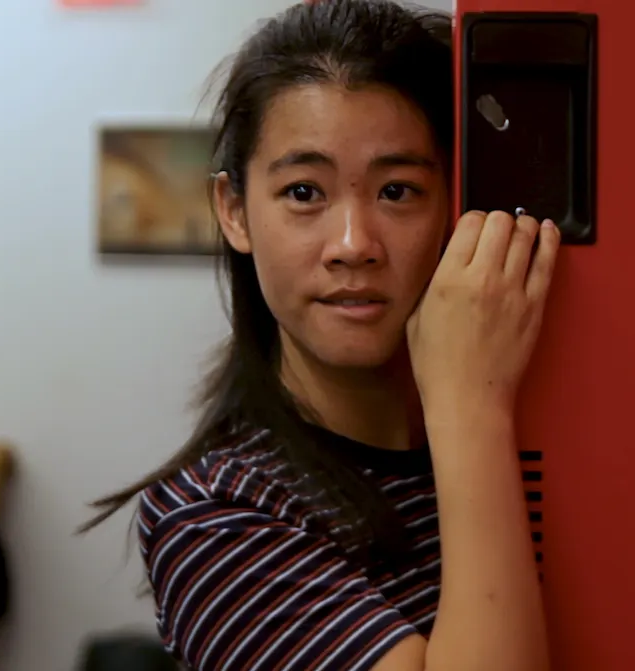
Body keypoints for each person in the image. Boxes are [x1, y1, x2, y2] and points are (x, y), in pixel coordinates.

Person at [82, 1, 560, 669]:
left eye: (397, 191)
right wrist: (468, 403)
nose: (353, 245)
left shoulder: (551, 443)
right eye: (304, 192)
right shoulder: (213, 517)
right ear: (234, 211)